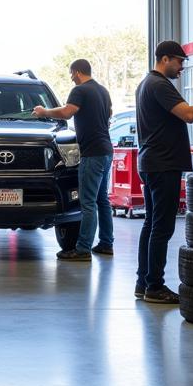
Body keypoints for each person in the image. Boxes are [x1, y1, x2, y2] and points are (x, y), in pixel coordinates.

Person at [134, 40, 193, 304]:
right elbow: (188, 114)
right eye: (179, 61)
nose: (182, 67)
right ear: (165, 59)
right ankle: (155, 286)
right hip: (164, 165)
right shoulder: (159, 85)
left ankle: (143, 283)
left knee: (150, 225)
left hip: (152, 163)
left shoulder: (145, 84)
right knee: (161, 228)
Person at [33, 58, 113, 263]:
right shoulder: (102, 90)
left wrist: (44, 112)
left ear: (76, 72)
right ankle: (106, 243)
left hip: (92, 153)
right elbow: (109, 114)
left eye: (71, 74)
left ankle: (83, 248)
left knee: (87, 202)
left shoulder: (80, 90)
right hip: (106, 150)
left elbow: (67, 112)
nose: (71, 78)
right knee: (101, 199)